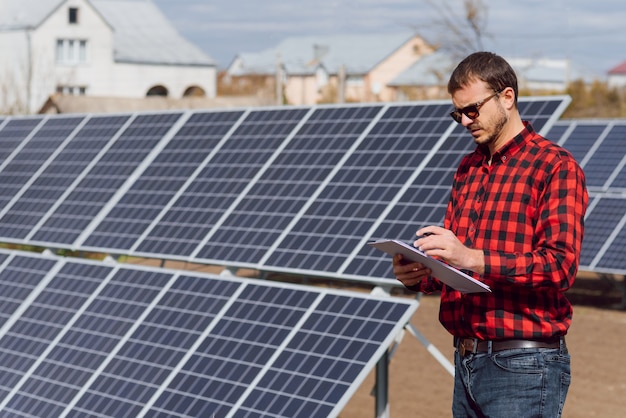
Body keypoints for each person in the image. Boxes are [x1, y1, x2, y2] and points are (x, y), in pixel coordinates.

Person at [392, 51, 588, 417]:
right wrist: (421, 275)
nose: (465, 121)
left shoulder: (555, 166)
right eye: (458, 113)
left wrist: (470, 257)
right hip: (466, 361)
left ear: (507, 97)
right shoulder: (469, 168)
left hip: (525, 365)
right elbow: (458, 268)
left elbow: (561, 266)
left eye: (473, 109)